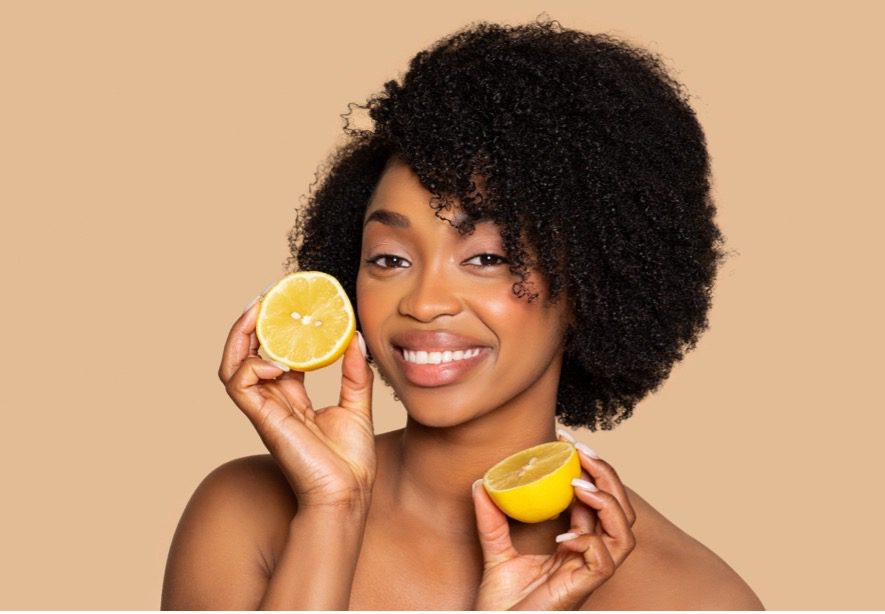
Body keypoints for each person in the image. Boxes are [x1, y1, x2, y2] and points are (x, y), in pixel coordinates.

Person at [162, 18, 763, 610]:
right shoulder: (244, 515)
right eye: (390, 259)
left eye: (486, 257)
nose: (423, 303)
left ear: (590, 277)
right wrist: (332, 510)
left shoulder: (690, 598)